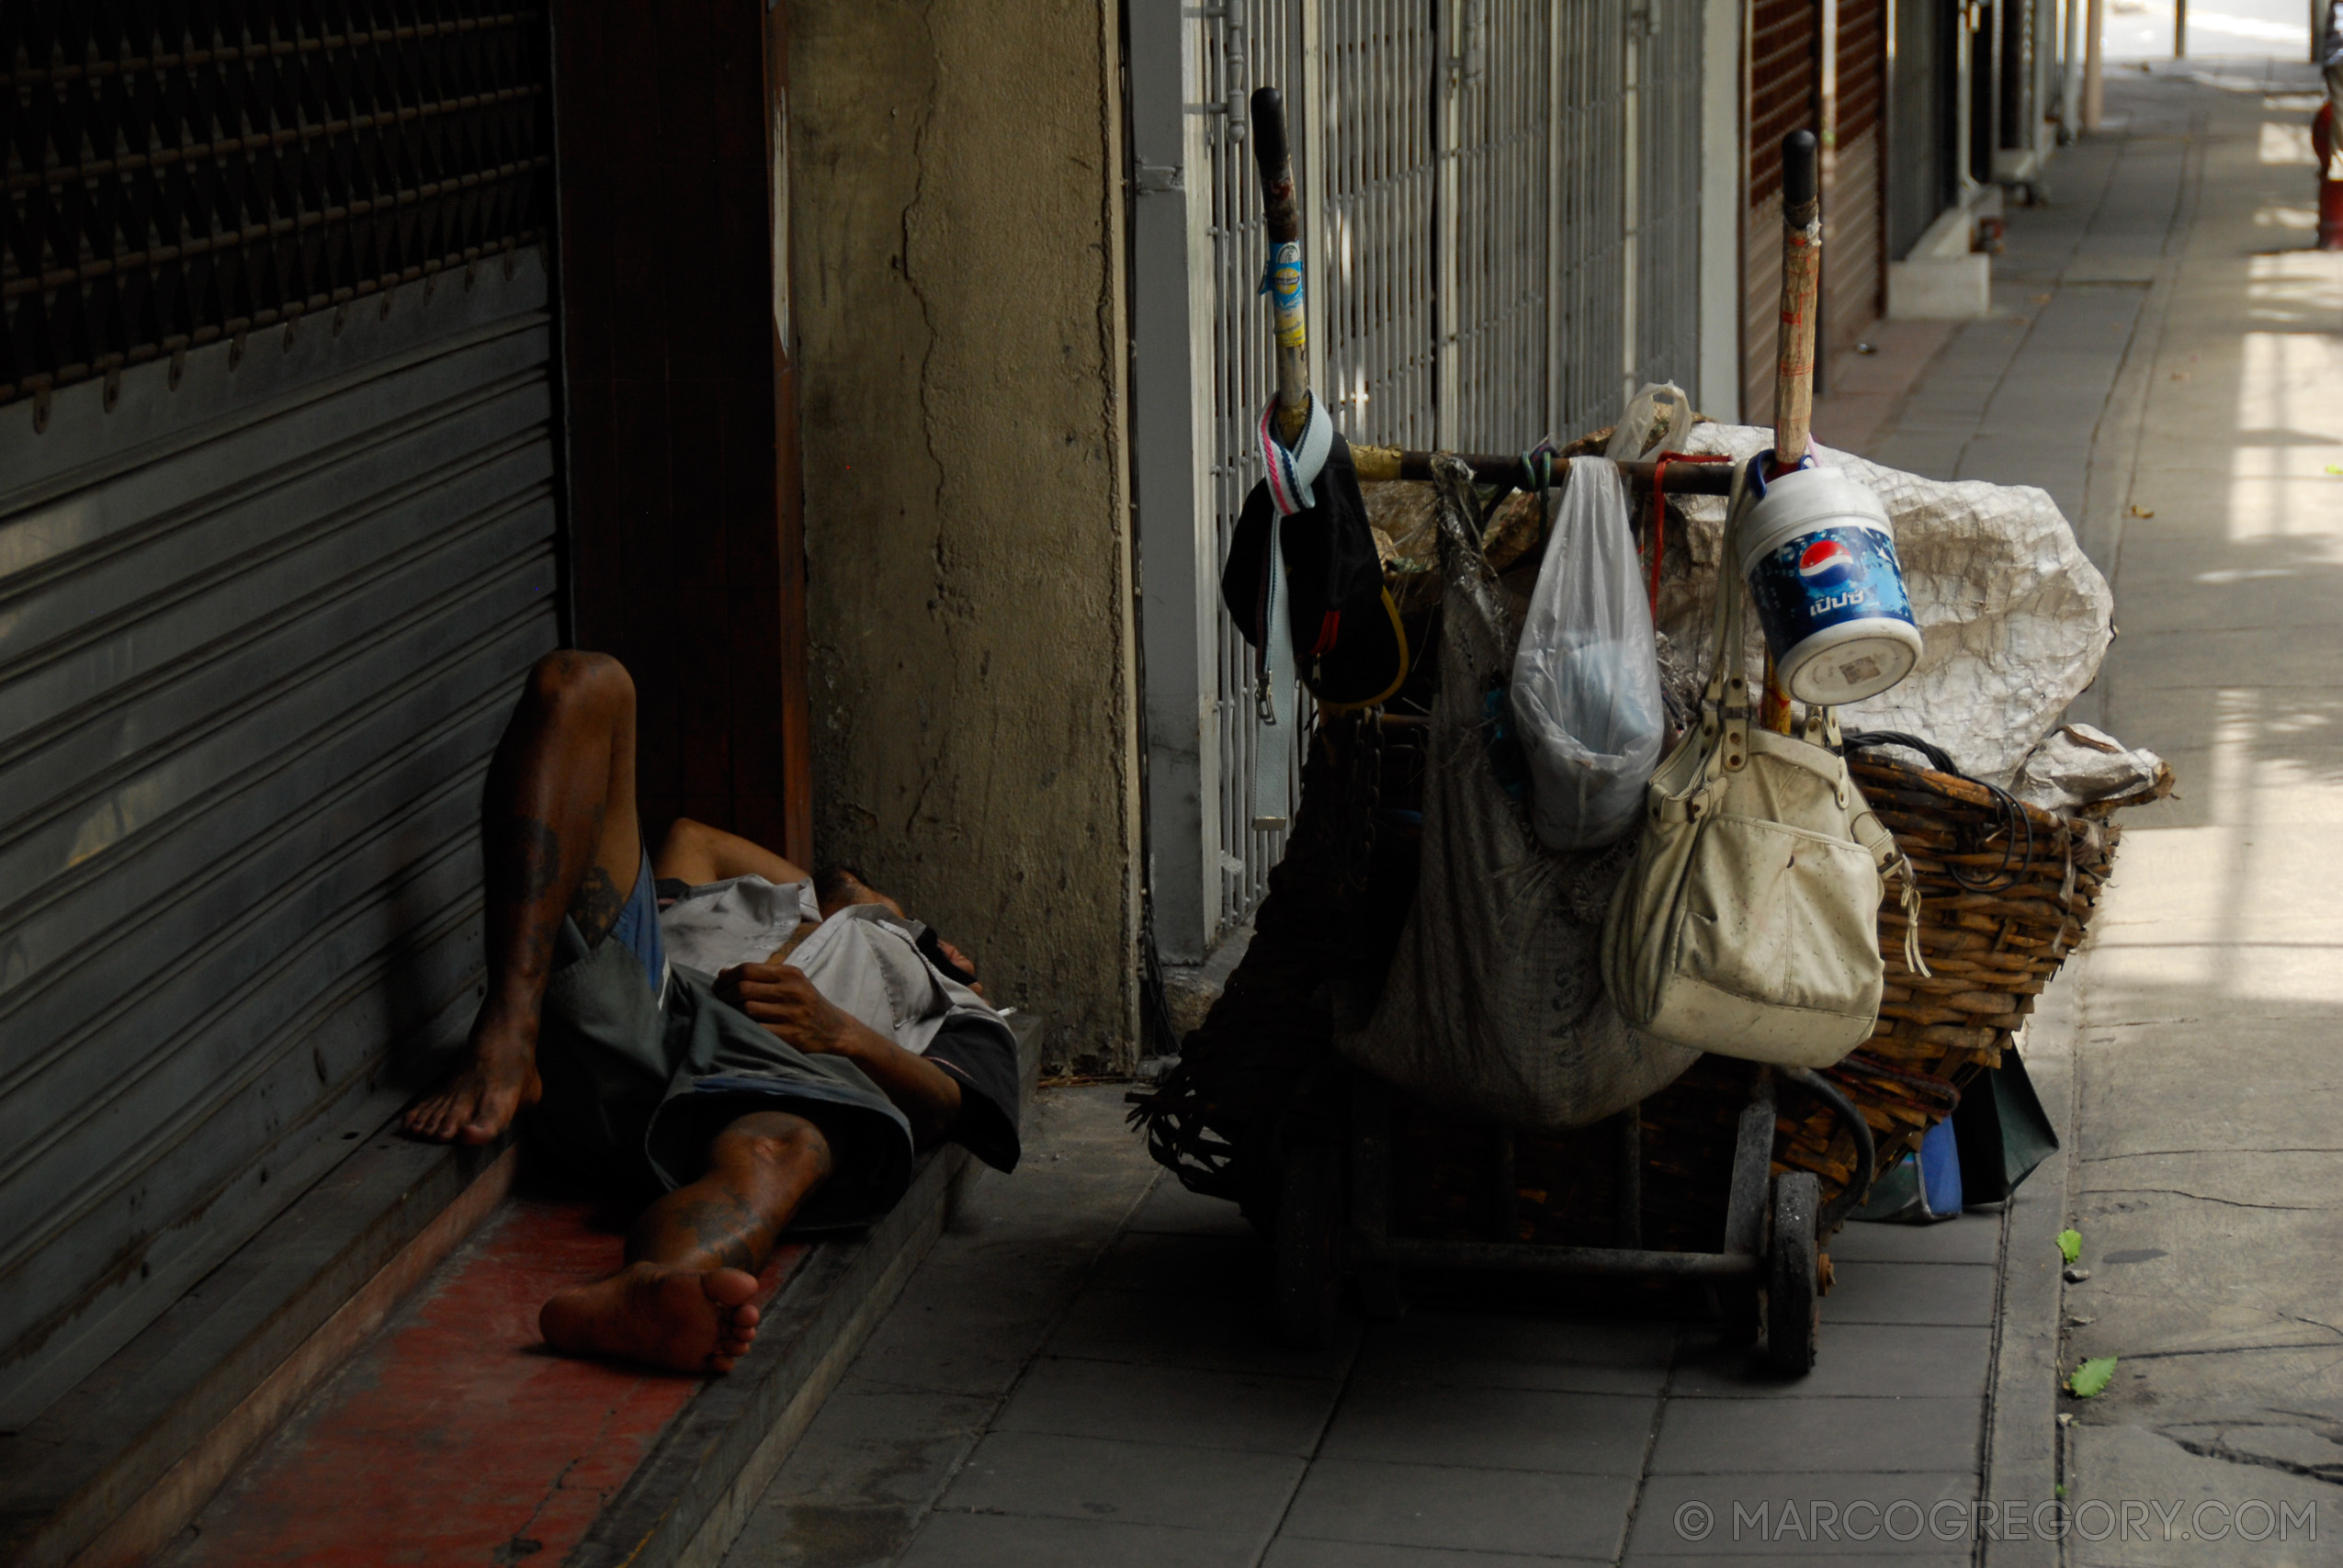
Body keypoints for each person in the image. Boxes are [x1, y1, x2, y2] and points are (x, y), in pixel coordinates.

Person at [402, 651, 1019, 1374]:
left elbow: (952, 1105)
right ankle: (509, 1030)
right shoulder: (780, 902)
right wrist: (828, 891)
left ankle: (654, 1285)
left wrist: (839, 1028)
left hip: (772, 1080)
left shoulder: (949, 994)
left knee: (782, 1148)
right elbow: (693, 835)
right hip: (645, 1000)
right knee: (587, 682)